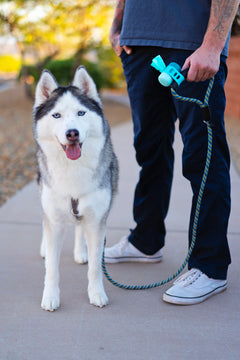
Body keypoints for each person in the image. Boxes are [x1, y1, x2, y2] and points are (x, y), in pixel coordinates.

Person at [105, 0, 240, 305]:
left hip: (192, 43)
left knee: (203, 156)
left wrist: (213, 44)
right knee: (148, 147)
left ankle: (210, 265)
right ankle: (146, 241)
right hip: (138, 44)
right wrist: (118, 28)